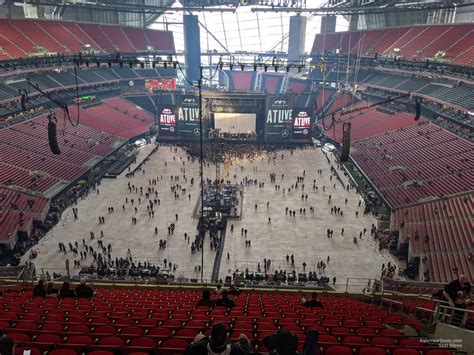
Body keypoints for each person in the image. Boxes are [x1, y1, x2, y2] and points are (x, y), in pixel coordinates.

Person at [185, 323, 249, 355]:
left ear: (211, 336)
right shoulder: (236, 351)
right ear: (226, 337)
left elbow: (189, 349)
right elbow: (245, 350)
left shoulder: (197, 348)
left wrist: (204, 339)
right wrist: (244, 340)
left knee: (199, 336)